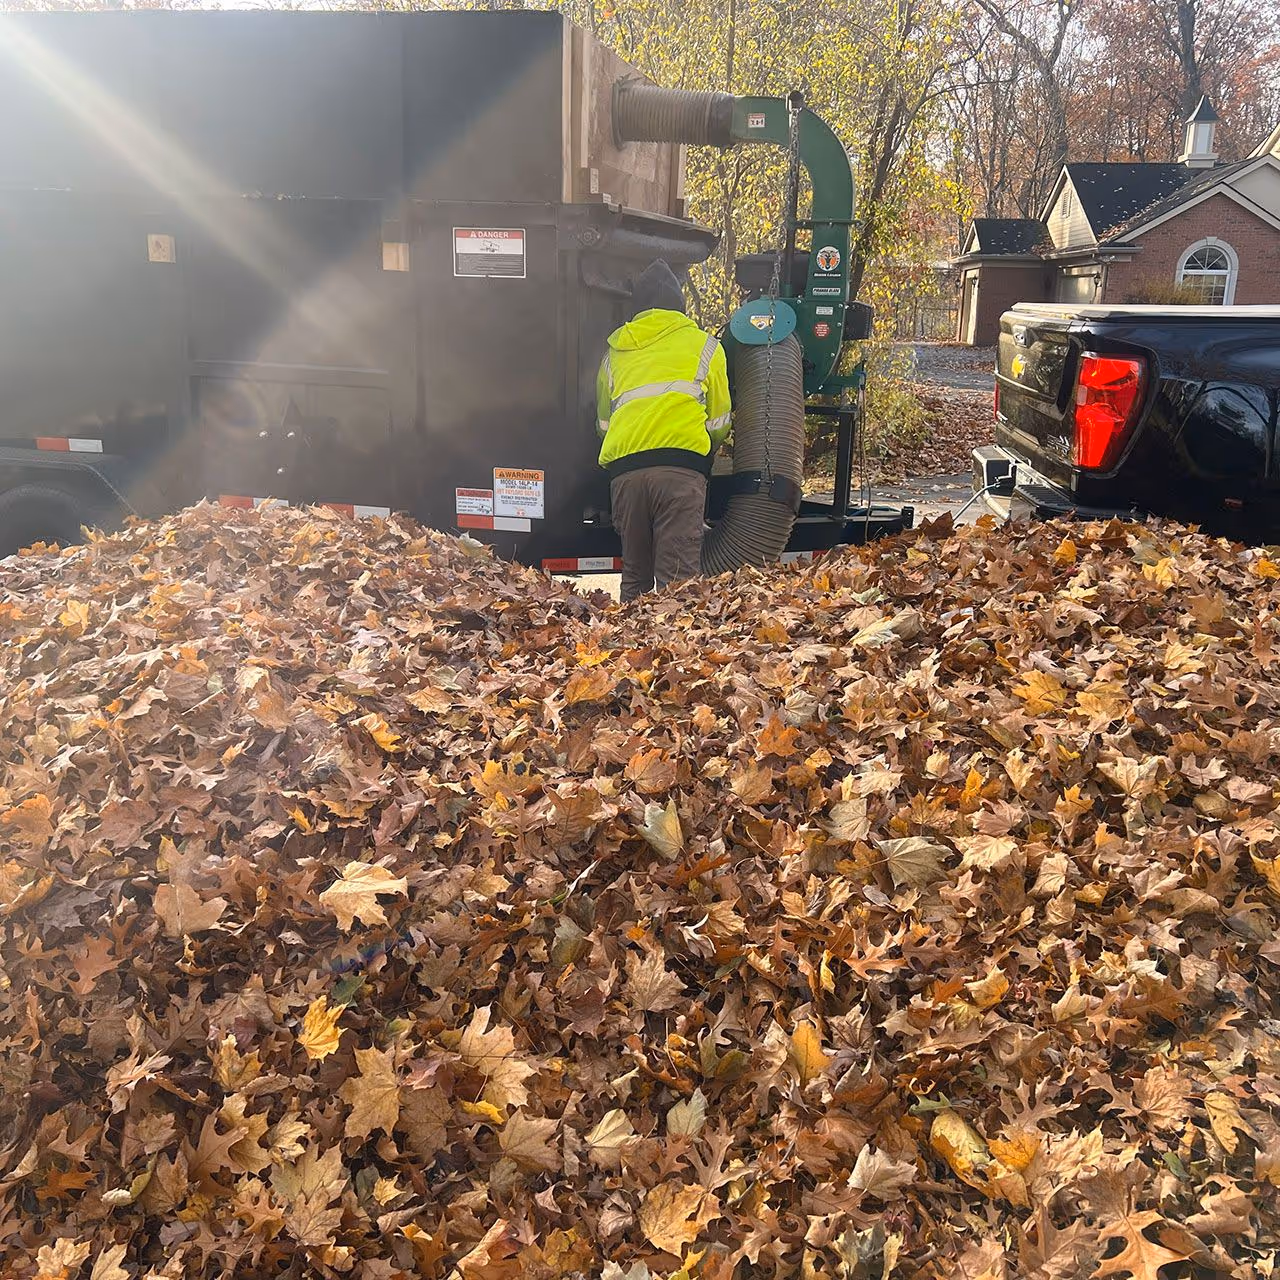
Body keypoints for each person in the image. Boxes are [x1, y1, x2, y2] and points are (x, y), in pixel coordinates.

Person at [596, 259, 731, 602]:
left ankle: (630, 636)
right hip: (680, 472)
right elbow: (719, 421)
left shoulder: (613, 354)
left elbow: (603, 425)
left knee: (635, 577)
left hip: (626, 474)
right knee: (678, 582)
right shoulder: (706, 347)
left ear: (636, 309)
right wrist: (701, 453)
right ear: (680, 306)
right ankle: (676, 639)